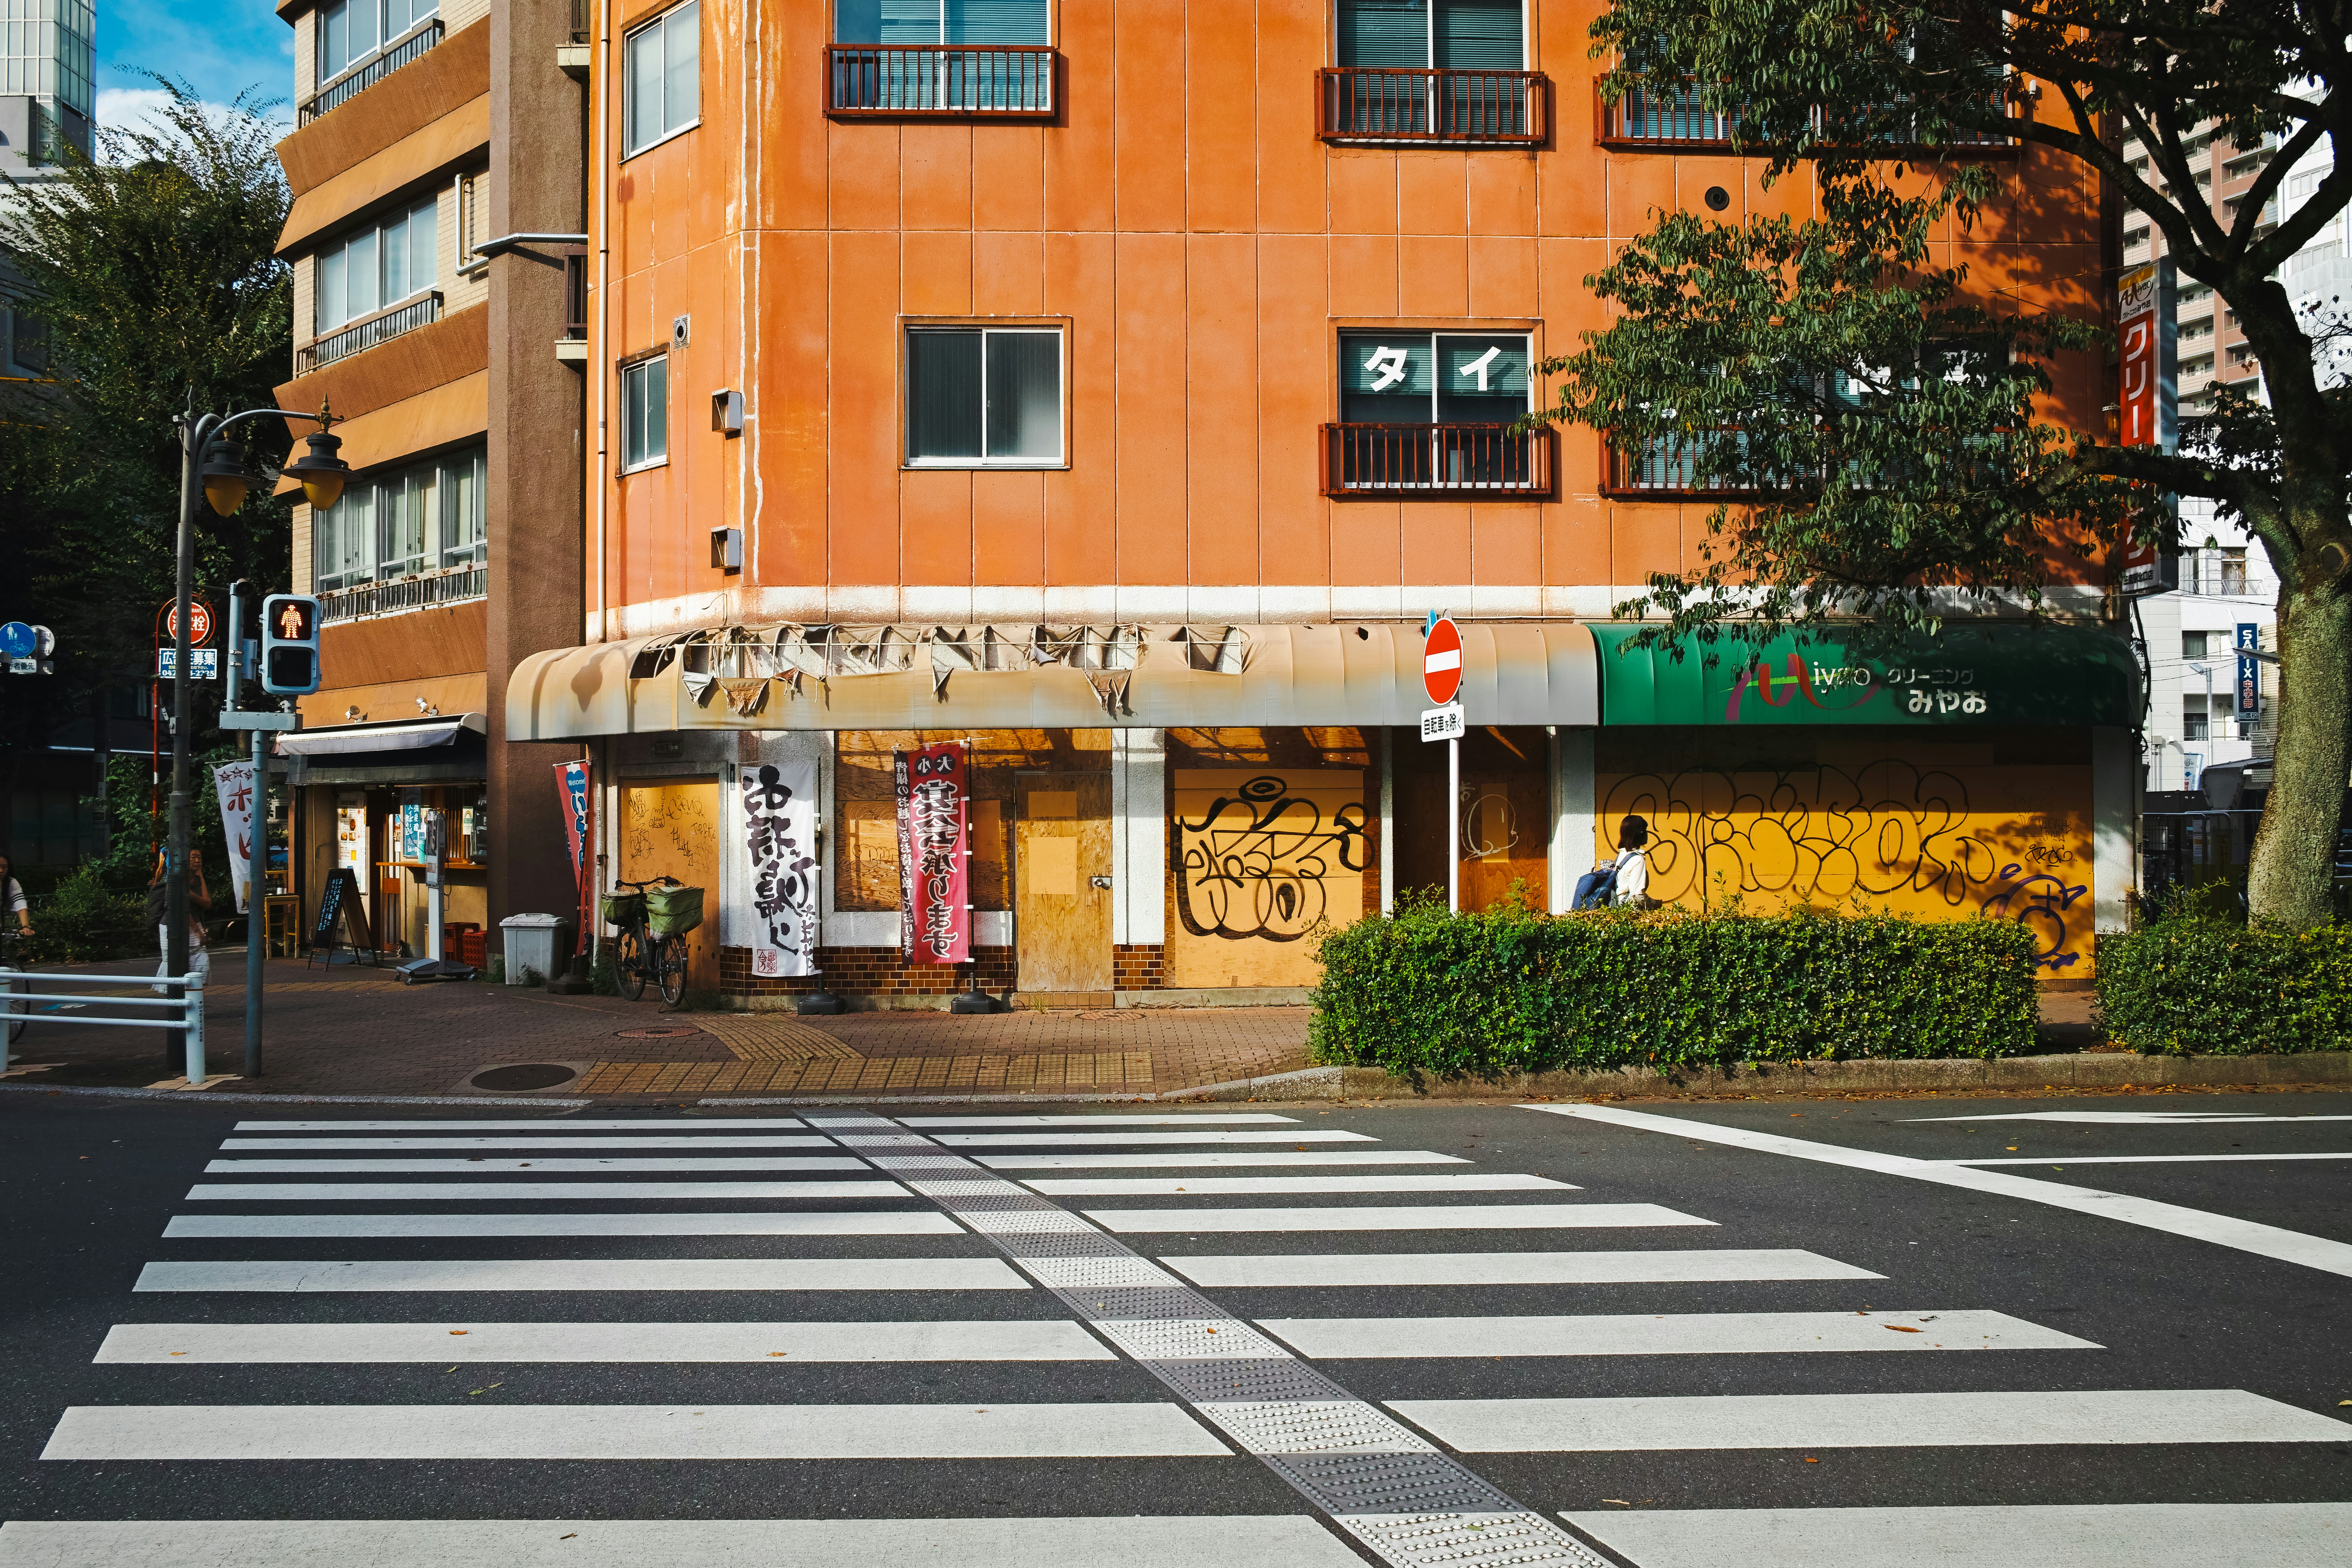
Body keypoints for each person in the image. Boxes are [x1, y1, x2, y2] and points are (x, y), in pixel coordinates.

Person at [147, 850, 212, 994]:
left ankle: (192, 1002)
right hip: (173, 925)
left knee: (200, 960)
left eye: (200, 857)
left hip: (194, 924)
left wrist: (199, 881)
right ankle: (174, 1003)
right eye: (193, 857)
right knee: (173, 962)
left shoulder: (197, 878)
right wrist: (198, 932)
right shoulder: (177, 880)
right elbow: (182, 909)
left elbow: (207, 903)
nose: (197, 860)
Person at [1571, 815, 1652, 911]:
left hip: (1615, 907)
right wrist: (1654, 904)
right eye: (1646, 830)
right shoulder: (1638, 860)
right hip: (1628, 912)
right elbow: (1637, 894)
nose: (1647, 834)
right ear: (1640, 833)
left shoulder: (1622, 855)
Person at [0, 853, 30, 940]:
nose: (1, 870)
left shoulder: (11, 883)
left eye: (5, 867)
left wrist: (26, 927)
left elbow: (20, 903)